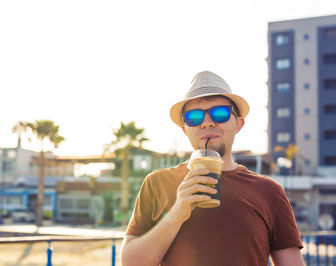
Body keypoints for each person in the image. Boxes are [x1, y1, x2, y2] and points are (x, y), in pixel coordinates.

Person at [120, 71, 304, 266]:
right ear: (185, 129)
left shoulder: (270, 192)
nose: (207, 122)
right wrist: (177, 213)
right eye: (194, 116)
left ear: (238, 124)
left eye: (220, 113)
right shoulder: (156, 183)